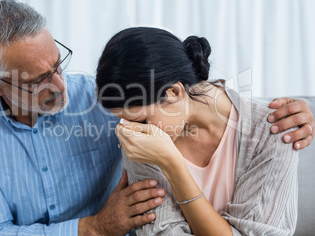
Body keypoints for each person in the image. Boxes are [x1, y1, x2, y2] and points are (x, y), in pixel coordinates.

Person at [0, 0, 313, 236]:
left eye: (58, 63)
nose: (61, 85)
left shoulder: (104, 98)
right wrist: (92, 228)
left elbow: (180, 90)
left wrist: (295, 113)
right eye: (39, 80)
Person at [95, 27, 313, 235]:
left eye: (141, 120)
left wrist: (172, 165)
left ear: (174, 92)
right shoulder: (143, 141)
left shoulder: (273, 129)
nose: (130, 132)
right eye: (123, 121)